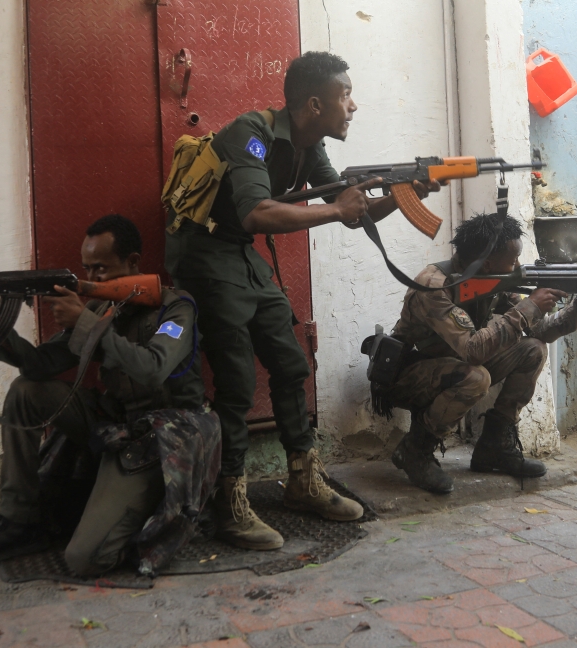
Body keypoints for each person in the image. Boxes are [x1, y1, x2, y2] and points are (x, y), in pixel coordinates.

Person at [164, 51, 444, 550]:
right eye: (345, 96)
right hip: (203, 251)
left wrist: (408, 194)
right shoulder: (250, 133)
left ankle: (302, 482)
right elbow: (255, 213)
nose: (353, 106)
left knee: (291, 363)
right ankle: (228, 503)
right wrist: (336, 209)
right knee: (236, 379)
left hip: (238, 253)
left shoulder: (309, 146)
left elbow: (351, 212)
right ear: (314, 103)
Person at [0, 214, 217, 575]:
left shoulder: (175, 307)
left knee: (84, 559)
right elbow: (37, 366)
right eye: (87, 268)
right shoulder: (98, 307)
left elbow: (153, 367)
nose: (91, 278)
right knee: (26, 391)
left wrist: (86, 323)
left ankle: (156, 507)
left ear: (132, 264)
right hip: (116, 426)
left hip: (162, 440)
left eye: (101, 268)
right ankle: (18, 523)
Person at [381, 213, 577, 493]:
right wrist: (528, 307)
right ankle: (414, 450)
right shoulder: (433, 286)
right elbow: (474, 351)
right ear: (487, 263)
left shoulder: (491, 279)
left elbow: (540, 333)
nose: (518, 267)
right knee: (477, 377)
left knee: (532, 350)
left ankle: (494, 446)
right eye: (512, 260)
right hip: (407, 376)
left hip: (452, 366)